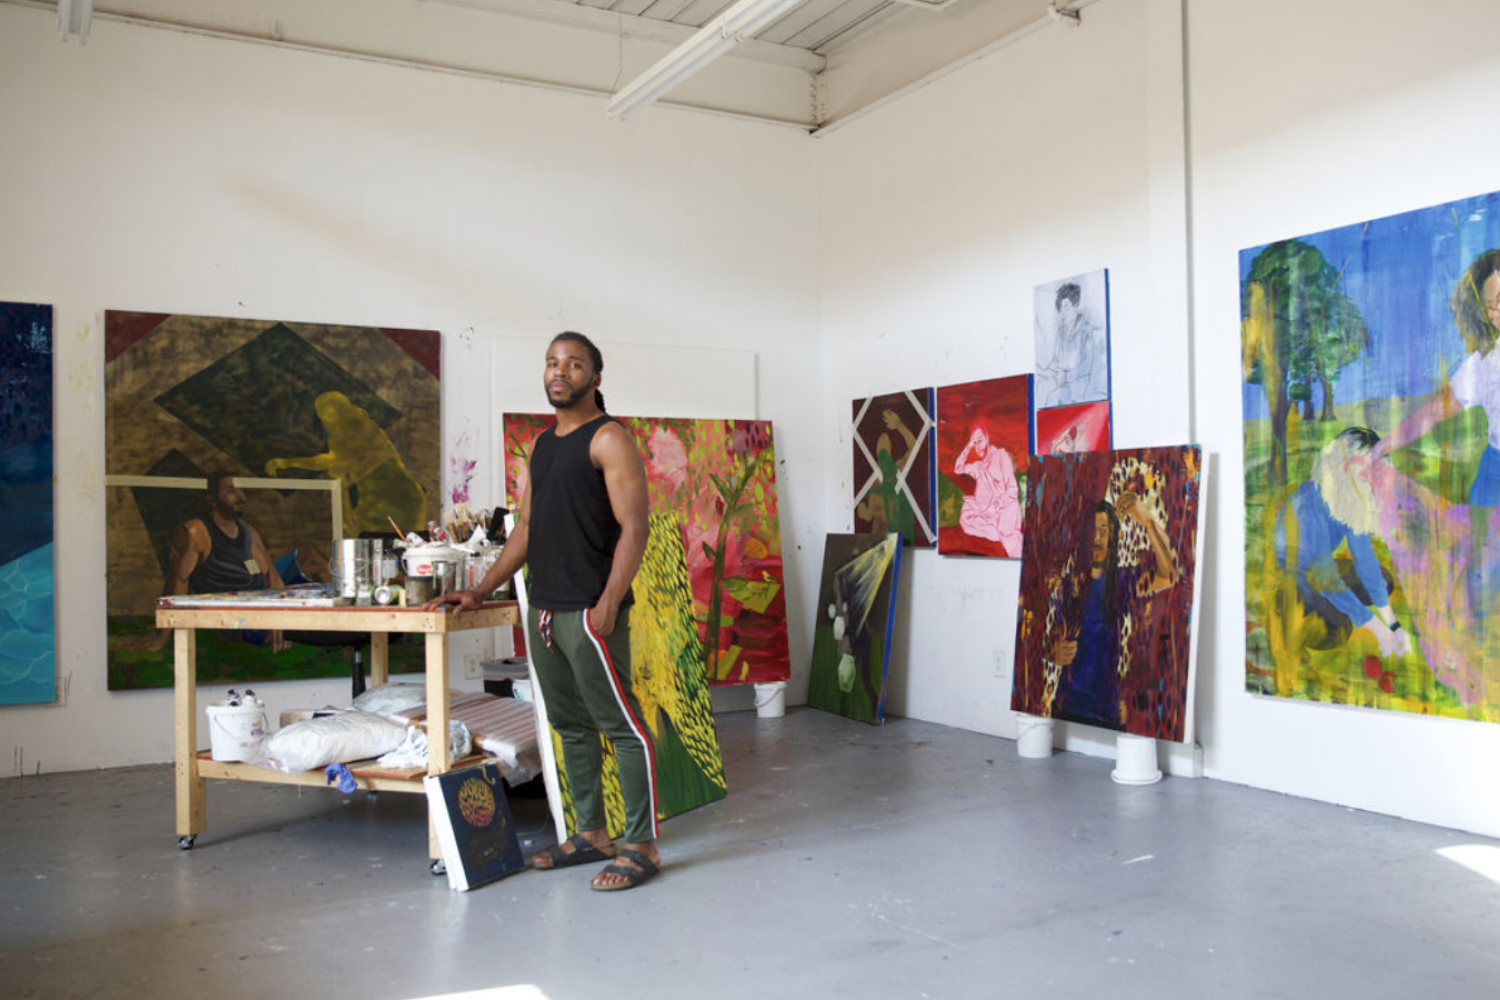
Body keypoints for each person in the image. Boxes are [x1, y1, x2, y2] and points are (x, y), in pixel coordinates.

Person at [428, 332, 656, 892]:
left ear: (595, 377)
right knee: (570, 728)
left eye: (574, 364)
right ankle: (591, 833)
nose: (560, 372)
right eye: (553, 362)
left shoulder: (610, 440)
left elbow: (636, 528)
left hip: (588, 611)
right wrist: (481, 590)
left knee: (622, 728)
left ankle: (640, 844)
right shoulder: (544, 446)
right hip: (546, 610)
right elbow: (525, 529)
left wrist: (606, 604)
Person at [1371, 249, 1500, 504]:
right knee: (1481, 538)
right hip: (1495, 469)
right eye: (1491, 306)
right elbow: (1434, 412)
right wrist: (1381, 447)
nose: (1498, 312)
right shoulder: (1485, 364)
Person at [1047, 488, 1178, 728]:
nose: (1097, 538)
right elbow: (1051, 637)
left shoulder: (1123, 581)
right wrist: (1053, 651)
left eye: (1104, 531)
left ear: (1113, 537)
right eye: (1092, 532)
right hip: (1066, 706)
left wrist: (1147, 522)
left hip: (1106, 711)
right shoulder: (1068, 586)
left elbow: (1168, 576)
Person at [118, 472, 287, 651]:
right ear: (211, 499)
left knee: (310, 557)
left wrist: (282, 618)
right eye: (231, 491)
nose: (241, 497)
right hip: (236, 620)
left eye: (242, 490)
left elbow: (271, 576)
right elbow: (177, 583)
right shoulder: (196, 532)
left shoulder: (248, 532)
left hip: (261, 605)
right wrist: (161, 638)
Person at [1279, 428, 1411, 657]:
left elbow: (1365, 561)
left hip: (1321, 569)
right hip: (1296, 575)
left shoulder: (1351, 500)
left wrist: (1394, 626)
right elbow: (1325, 577)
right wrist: (1378, 630)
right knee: (1337, 629)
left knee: (1382, 581)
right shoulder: (1308, 506)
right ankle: (1296, 612)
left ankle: (1341, 605)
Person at [264, 390, 427, 536]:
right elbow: (338, 470)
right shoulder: (345, 432)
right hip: (386, 500)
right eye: (324, 414)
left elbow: (331, 461)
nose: (327, 419)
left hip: (394, 499)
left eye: (330, 412)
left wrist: (287, 463)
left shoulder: (360, 428)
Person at [953, 424, 1022, 556]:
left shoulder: (1001, 457)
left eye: (980, 440)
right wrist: (968, 446)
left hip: (1005, 507)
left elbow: (1013, 491)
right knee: (966, 519)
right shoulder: (978, 467)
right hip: (986, 514)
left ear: (987, 438)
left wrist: (996, 507)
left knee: (1007, 534)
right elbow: (958, 468)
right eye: (975, 442)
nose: (977, 445)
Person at [855, 408, 918, 543]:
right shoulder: (873, 481)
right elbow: (870, 514)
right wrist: (864, 512)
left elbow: (914, 447)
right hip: (876, 543)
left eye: (886, 442)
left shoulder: (897, 470)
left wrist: (900, 426)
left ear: (891, 449)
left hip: (894, 541)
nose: (883, 444)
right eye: (880, 442)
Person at [1038, 282, 1102, 407]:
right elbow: (1057, 358)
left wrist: (1065, 377)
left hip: (1079, 385)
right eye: (1060, 308)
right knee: (1042, 388)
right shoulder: (1061, 331)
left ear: (1076, 305)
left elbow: (1086, 365)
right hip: (1063, 383)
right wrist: (1047, 370)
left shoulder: (1086, 330)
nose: (1062, 312)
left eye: (1066, 307)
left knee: (1053, 399)